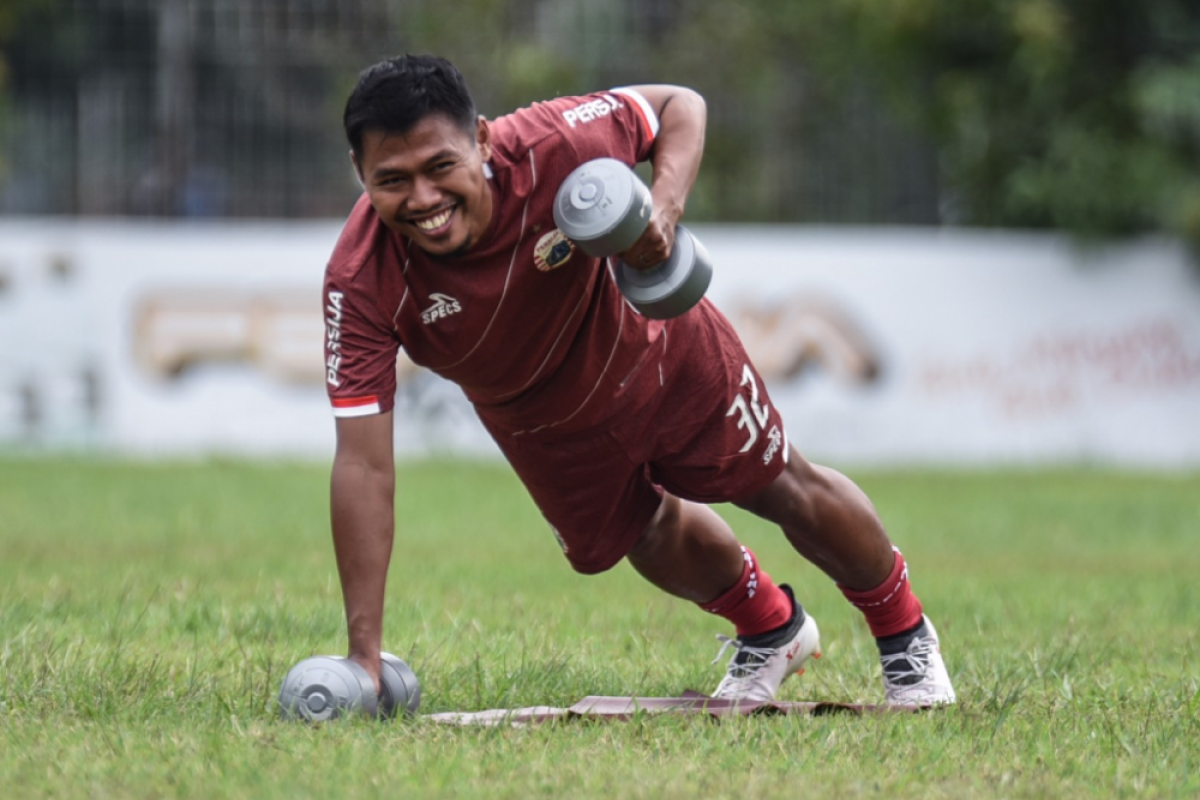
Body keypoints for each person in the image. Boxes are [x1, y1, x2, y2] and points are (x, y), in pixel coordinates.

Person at [323, 54, 955, 706]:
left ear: (481, 139)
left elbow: (680, 105)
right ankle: (772, 630)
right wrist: (363, 660)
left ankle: (904, 633)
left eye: (440, 167)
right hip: (538, 422)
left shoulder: (554, 140)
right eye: (392, 180)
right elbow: (364, 469)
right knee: (640, 536)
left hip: (658, 350)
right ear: (359, 172)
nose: (423, 199)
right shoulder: (359, 281)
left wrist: (664, 208)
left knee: (777, 484)